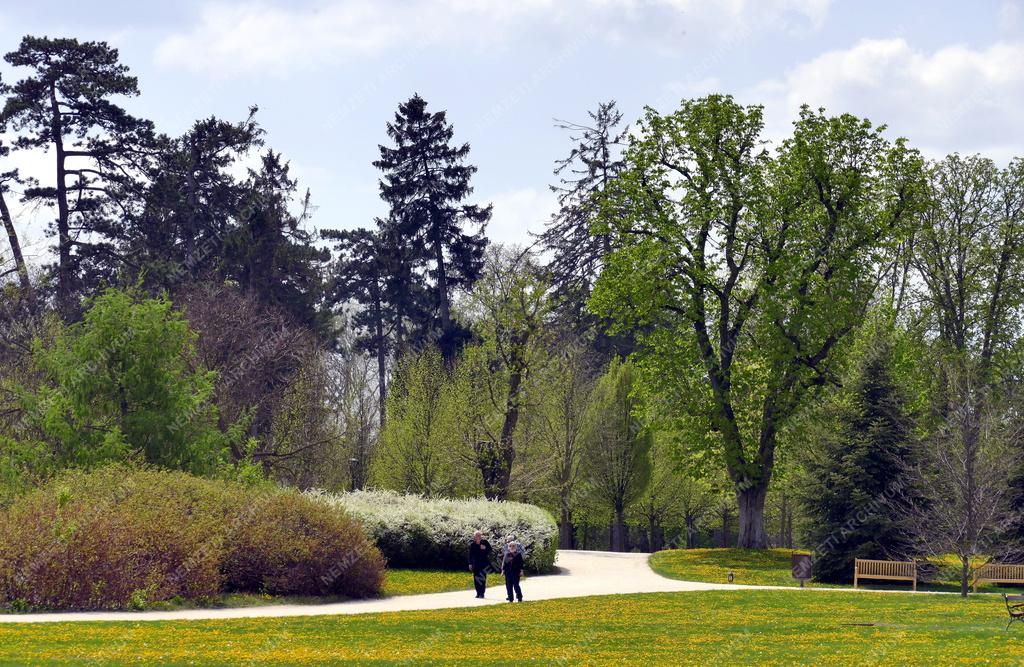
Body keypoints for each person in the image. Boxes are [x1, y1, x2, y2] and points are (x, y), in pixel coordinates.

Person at [468, 530, 493, 598]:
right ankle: (478, 592)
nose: (478, 536)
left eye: (479, 535)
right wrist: (470, 563)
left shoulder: (485, 542)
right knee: (476, 578)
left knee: (482, 578)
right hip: (475, 564)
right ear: (474, 536)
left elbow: (490, 550)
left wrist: (485, 548)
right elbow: (470, 554)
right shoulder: (472, 544)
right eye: (477, 535)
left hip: (484, 563)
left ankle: (482, 593)